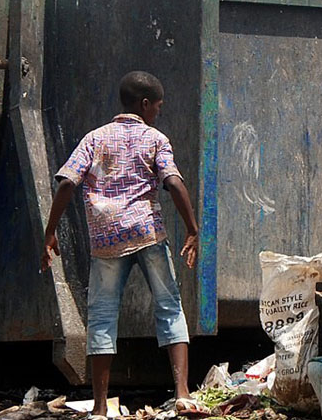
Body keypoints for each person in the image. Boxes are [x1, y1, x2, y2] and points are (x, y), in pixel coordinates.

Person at [41, 71, 203, 417]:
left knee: (101, 316)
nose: (158, 112)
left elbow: (67, 183)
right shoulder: (155, 139)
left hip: (106, 239)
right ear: (145, 105)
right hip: (146, 232)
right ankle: (183, 393)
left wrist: (50, 231)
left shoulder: (94, 138)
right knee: (169, 307)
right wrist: (192, 228)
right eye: (157, 107)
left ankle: (100, 408)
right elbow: (173, 182)